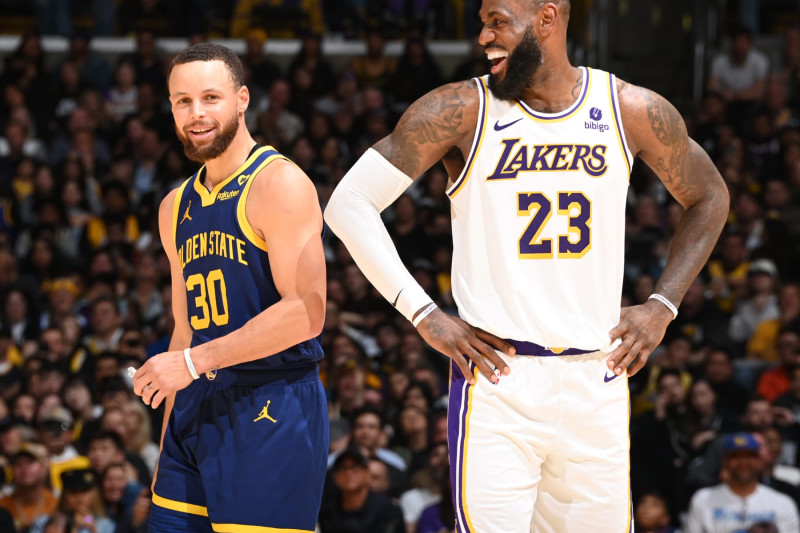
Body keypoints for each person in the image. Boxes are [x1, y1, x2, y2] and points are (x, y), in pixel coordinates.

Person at [323, 1, 729, 531]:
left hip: (595, 377)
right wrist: (424, 314)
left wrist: (662, 305)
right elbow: (347, 203)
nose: (484, 37)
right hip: (498, 380)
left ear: (547, 18)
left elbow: (710, 196)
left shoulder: (628, 108)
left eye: (497, 22)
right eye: (482, 23)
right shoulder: (461, 109)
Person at [130, 42, 328, 532]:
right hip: (194, 409)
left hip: (271, 403)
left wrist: (195, 362)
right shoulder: (174, 206)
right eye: (182, 101)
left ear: (242, 99)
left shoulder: (279, 184)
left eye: (210, 98)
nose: (196, 114)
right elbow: (183, 334)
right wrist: (165, 444)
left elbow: (306, 311)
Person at [684, 432, 799, 533]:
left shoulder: (783, 503)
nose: (743, 462)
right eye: (735, 456)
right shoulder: (703, 499)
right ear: (724, 461)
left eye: (750, 456)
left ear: (759, 461)